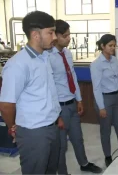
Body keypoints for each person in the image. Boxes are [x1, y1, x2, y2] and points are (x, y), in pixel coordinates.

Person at [0, 11, 63, 175]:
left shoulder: (44, 57)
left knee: (50, 170)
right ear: (35, 35)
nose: (54, 36)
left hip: (52, 127)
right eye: (50, 32)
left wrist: (57, 117)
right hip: (33, 133)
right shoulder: (18, 64)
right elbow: (6, 104)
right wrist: (13, 127)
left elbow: (48, 93)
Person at [49, 20, 102, 175]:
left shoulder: (67, 53)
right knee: (61, 145)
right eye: (65, 35)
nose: (69, 38)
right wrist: (55, 112)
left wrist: (79, 99)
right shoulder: (48, 57)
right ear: (56, 36)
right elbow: (49, 86)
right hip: (59, 107)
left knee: (78, 138)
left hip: (71, 103)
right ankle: (63, 172)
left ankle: (84, 164)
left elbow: (72, 76)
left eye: (69, 34)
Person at [90, 34, 118, 167]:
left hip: (117, 98)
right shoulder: (96, 64)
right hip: (105, 100)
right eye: (110, 46)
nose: (113, 48)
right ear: (102, 46)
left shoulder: (114, 60)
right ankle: (107, 156)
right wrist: (101, 107)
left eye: (114, 45)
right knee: (106, 130)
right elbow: (96, 88)